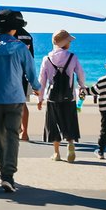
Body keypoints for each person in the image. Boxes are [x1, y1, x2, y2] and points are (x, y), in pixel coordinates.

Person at [0, 9, 42, 192]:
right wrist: (37, 88)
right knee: (12, 136)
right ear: (15, 28)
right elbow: (31, 72)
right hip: (15, 98)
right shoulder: (21, 48)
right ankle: (8, 175)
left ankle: (2, 171)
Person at [0, 4, 36, 141]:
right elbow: (31, 59)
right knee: (21, 102)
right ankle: (25, 132)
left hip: (9, 73)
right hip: (22, 75)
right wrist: (34, 82)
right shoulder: (28, 36)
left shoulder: (10, 33)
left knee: (5, 103)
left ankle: (11, 130)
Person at [38, 30, 87, 161]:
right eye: (69, 41)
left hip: (52, 98)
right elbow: (81, 74)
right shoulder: (72, 57)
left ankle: (56, 153)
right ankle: (70, 144)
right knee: (69, 122)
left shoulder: (46, 59)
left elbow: (42, 81)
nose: (70, 43)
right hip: (69, 97)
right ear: (65, 43)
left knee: (53, 124)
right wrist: (82, 86)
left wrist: (40, 98)